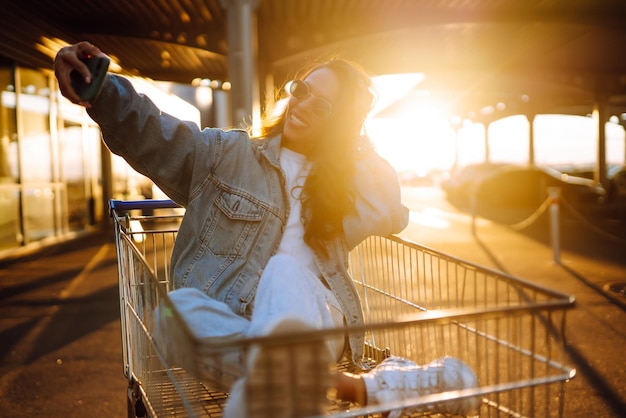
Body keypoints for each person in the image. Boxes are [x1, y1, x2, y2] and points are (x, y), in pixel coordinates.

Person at [55, 41, 479, 418]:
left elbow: (390, 203)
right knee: (174, 315)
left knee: (284, 272)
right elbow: (158, 135)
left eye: (323, 106)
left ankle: (270, 396)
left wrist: (353, 137)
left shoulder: (345, 186)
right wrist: (102, 91)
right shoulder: (227, 154)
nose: (304, 105)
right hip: (231, 321)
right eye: (302, 91)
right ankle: (359, 388)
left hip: (315, 319)